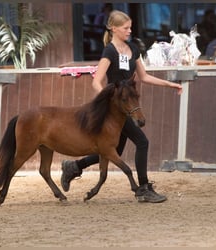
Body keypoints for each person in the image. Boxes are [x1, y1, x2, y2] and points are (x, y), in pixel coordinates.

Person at [61, 10, 182, 203]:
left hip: (128, 107)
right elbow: (97, 81)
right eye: (126, 28)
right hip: (115, 109)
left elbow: (143, 76)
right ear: (114, 29)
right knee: (142, 142)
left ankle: (74, 167)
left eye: (130, 27)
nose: (129, 31)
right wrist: (105, 102)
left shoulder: (133, 48)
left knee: (113, 151)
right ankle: (143, 188)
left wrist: (169, 84)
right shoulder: (109, 51)